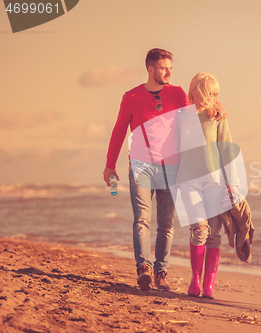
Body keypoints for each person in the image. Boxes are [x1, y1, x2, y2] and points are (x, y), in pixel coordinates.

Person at [103, 48, 189, 291]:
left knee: (166, 223)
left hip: (171, 166)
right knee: (141, 219)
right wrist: (110, 165)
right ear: (151, 70)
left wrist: (217, 108)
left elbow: (195, 118)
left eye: (170, 67)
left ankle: (162, 272)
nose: (169, 72)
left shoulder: (178, 94)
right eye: (163, 68)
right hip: (141, 164)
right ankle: (144, 268)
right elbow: (119, 131)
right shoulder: (131, 97)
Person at [176, 72, 239, 299]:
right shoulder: (181, 116)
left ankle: (208, 285)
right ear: (197, 92)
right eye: (210, 93)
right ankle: (195, 280)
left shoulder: (218, 117)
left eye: (216, 93)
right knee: (199, 230)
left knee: (214, 235)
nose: (214, 97)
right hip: (188, 181)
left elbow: (227, 148)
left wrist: (232, 184)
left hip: (215, 183)